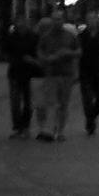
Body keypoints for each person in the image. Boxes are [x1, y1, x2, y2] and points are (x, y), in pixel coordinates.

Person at [33, 12, 76, 141]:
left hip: (66, 74)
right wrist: (45, 59)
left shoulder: (70, 36)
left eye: (59, 19)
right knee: (51, 103)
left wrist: (68, 53)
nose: (57, 22)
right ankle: (51, 129)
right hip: (51, 74)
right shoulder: (46, 37)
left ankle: (60, 130)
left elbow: (78, 51)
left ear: (63, 20)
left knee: (63, 104)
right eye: (55, 19)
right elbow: (39, 51)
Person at [4, 12, 39, 136]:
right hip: (14, 72)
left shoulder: (34, 37)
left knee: (28, 101)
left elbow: (38, 53)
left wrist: (33, 61)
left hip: (30, 73)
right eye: (18, 22)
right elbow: (6, 52)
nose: (20, 24)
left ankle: (25, 125)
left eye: (22, 22)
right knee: (15, 101)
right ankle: (18, 126)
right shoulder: (11, 37)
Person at [77, 15, 99, 136]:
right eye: (89, 19)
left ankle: (92, 117)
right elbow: (77, 53)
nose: (92, 22)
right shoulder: (82, 36)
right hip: (85, 70)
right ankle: (90, 122)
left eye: (94, 19)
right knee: (87, 99)